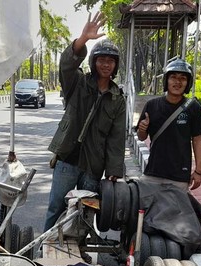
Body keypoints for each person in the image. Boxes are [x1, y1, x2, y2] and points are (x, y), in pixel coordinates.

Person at [43, 12, 126, 231]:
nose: (105, 64)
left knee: (85, 211)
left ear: (115, 66)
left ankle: (78, 252)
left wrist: (114, 170)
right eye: (101, 59)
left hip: (93, 166)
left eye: (110, 61)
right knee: (56, 207)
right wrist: (83, 39)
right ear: (94, 61)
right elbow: (66, 65)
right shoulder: (78, 83)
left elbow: (117, 137)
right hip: (67, 160)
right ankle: (45, 250)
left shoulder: (118, 98)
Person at [137, 57, 201, 192]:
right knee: (147, 210)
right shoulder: (152, 105)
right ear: (166, 80)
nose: (177, 82)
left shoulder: (193, 107)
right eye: (173, 77)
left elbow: (197, 140)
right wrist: (142, 128)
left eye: (183, 78)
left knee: (178, 212)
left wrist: (198, 171)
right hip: (153, 172)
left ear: (188, 83)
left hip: (179, 175)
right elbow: (141, 137)